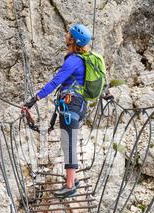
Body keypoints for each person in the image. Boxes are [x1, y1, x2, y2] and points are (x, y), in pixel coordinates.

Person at [22, 23, 92, 198]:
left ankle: (70, 186)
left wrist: (34, 100)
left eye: (68, 33)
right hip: (77, 106)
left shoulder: (73, 60)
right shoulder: (84, 58)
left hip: (70, 106)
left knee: (68, 144)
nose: (66, 34)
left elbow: (55, 82)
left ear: (72, 40)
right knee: (68, 143)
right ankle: (73, 180)